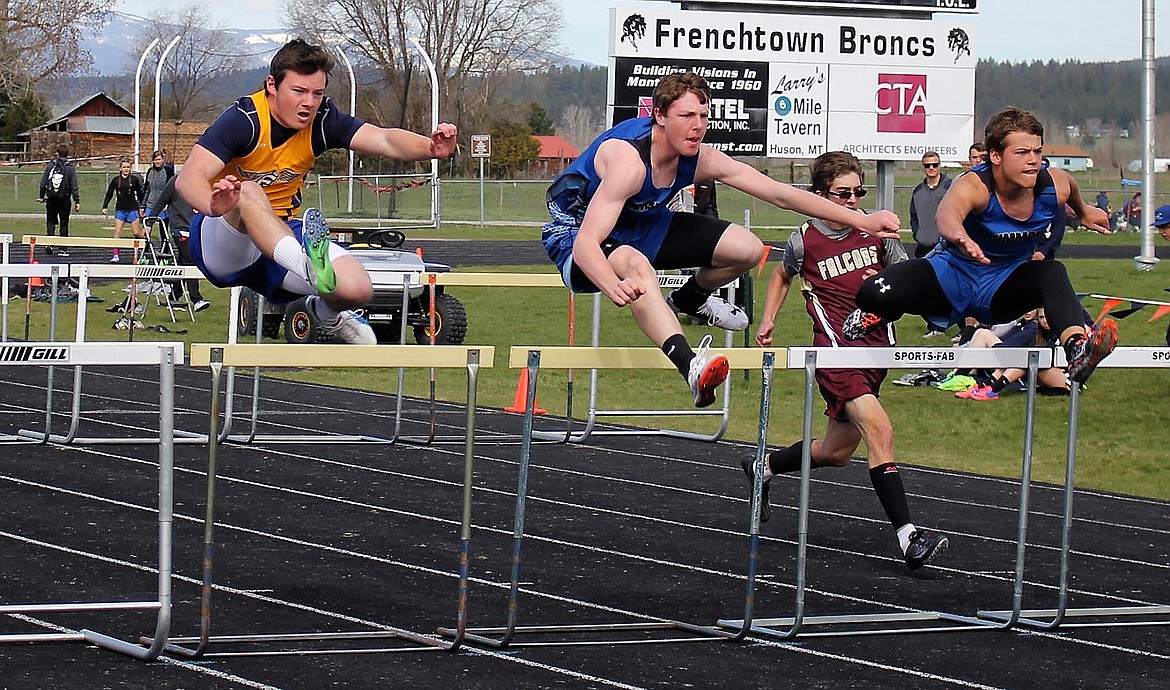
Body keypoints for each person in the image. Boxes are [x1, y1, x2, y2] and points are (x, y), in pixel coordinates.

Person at [542, 71, 902, 407]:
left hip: (642, 222)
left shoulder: (697, 158)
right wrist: (610, 284)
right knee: (635, 266)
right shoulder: (629, 162)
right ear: (660, 116)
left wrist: (862, 221)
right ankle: (691, 367)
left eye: (703, 115)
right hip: (575, 233)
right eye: (686, 116)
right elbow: (587, 244)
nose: (697, 126)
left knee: (747, 249)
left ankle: (692, 297)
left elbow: (779, 194)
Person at [176, 38, 457, 344]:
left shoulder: (322, 120)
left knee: (357, 288)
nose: (309, 102)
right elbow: (187, 178)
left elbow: (384, 139)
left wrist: (430, 148)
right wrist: (212, 204)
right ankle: (307, 267)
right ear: (272, 85)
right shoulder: (244, 120)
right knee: (249, 192)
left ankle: (326, 313)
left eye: (317, 93)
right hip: (224, 237)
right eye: (299, 91)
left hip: (278, 234)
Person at [747, 151, 947, 571]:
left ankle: (764, 467)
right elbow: (782, 274)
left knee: (837, 452)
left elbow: (907, 283)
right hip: (836, 355)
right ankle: (909, 536)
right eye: (843, 194)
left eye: (859, 192)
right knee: (881, 430)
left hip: (876, 354)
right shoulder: (805, 240)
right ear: (820, 196)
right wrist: (768, 320)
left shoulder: (879, 235)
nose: (854, 200)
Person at [843, 106, 1118, 386]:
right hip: (951, 276)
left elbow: (1070, 186)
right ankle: (880, 311)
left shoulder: (1053, 184)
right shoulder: (975, 185)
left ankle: (1078, 348)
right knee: (871, 292)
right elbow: (946, 214)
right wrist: (960, 236)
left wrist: (1083, 212)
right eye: (1022, 153)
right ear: (995, 156)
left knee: (1051, 271)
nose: (1033, 161)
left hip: (1003, 287)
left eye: (1037, 151)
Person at [954, 309, 1069, 400]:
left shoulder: (1059, 332)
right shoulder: (1039, 333)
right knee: (1022, 359)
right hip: (1042, 371)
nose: (1044, 321)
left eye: (1047, 317)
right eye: (1041, 317)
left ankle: (992, 390)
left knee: (1025, 360)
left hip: (1066, 378)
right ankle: (983, 388)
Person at [909, 150, 952, 338]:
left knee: (947, 288)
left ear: (940, 165)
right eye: (928, 165)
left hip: (946, 247)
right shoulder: (917, 191)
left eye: (935, 164)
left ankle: (950, 325)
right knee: (925, 289)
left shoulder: (950, 188)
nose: (931, 168)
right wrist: (918, 233)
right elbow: (913, 217)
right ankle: (933, 325)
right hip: (924, 247)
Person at [151, 175, 210, 313]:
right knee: (192, 261)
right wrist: (149, 223)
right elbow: (160, 202)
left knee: (183, 263)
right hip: (180, 230)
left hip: (194, 230)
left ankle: (174, 296)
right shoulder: (175, 182)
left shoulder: (201, 183)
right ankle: (196, 299)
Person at [36, 143, 80, 257]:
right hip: (65, 199)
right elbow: (74, 185)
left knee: (50, 221)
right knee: (64, 223)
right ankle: (63, 248)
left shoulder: (51, 165)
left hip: (51, 198)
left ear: (57, 153)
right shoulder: (70, 168)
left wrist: (41, 196)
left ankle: (49, 243)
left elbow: (43, 182)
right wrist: (77, 201)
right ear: (67, 154)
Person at [101, 157, 145, 262]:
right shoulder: (116, 180)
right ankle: (116, 255)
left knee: (136, 232)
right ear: (120, 168)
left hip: (132, 209)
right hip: (120, 209)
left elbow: (140, 194)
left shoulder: (134, 180)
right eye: (124, 167)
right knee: (118, 232)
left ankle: (144, 244)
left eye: (128, 167)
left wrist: (142, 207)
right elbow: (109, 194)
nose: (126, 169)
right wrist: (105, 206)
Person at [141, 149, 175, 221]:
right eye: (155, 160)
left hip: (163, 205)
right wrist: (142, 206)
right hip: (150, 204)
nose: (157, 161)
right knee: (147, 227)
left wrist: (168, 204)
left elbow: (171, 189)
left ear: (163, 160)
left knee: (163, 229)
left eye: (159, 159)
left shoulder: (168, 171)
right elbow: (147, 189)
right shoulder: (150, 171)